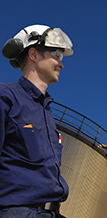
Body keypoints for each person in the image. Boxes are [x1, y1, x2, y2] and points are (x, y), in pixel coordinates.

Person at [0, 24, 73, 218]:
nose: (61, 64)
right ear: (33, 54)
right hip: (18, 211)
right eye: (56, 55)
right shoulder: (6, 97)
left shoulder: (45, 111)